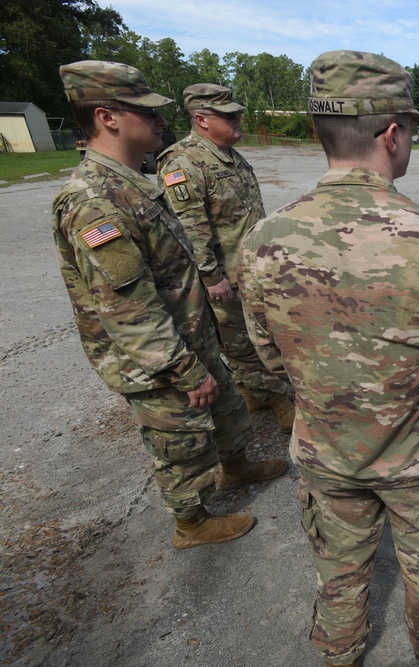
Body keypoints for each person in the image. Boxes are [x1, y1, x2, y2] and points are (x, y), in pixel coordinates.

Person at [239, 50, 419, 667]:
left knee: (338, 566)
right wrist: (416, 407)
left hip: (326, 446)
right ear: (391, 133)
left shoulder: (265, 239)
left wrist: (328, 392)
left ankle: (339, 650)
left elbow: (269, 354)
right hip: (418, 455)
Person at [52, 61, 287, 550]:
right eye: (146, 112)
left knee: (226, 405)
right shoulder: (96, 200)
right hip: (159, 358)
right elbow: (128, 311)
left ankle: (236, 468)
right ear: (107, 117)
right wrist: (184, 370)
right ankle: (192, 523)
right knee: (177, 437)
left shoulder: (131, 181)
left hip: (190, 336)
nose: (162, 121)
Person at [158, 84, 294, 433]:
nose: (238, 120)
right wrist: (210, 276)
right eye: (228, 115)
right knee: (240, 344)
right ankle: (276, 397)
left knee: (255, 336)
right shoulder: (183, 162)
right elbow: (191, 227)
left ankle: (253, 392)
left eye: (237, 113)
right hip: (223, 278)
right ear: (201, 119)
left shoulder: (230, 156)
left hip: (246, 269)